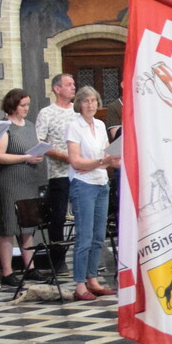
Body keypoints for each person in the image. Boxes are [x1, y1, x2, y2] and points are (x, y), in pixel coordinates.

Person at [66, 85, 120, 301]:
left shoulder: (100, 124)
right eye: (86, 101)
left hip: (101, 181)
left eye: (94, 101)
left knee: (98, 235)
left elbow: (108, 157)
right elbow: (76, 161)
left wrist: (106, 161)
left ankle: (93, 279)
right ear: (79, 104)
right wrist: (99, 162)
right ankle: (80, 284)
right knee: (85, 236)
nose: (90, 105)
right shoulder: (74, 126)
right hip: (84, 184)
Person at [0, 88, 46, 287]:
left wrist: (38, 155)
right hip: (9, 180)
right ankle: (7, 272)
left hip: (28, 179)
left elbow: (33, 147)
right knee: (9, 225)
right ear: (12, 105)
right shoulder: (4, 127)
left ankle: (30, 268)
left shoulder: (29, 125)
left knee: (27, 225)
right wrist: (25, 157)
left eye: (27, 105)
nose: (26, 108)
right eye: (22, 105)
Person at [37, 74, 79, 270]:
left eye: (73, 84)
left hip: (81, 172)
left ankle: (84, 257)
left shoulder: (77, 112)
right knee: (59, 216)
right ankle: (58, 259)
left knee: (83, 214)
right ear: (57, 88)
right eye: (68, 84)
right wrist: (62, 156)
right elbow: (40, 142)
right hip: (59, 173)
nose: (73, 87)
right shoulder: (47, 113)